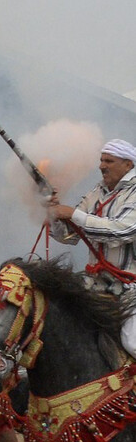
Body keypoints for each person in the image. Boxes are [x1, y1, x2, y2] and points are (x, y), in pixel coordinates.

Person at [50, 138, 136, 359]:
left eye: (109, 160)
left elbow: (121, 232)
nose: (101, 166)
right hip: (95, 286)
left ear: (128, 165)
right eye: (101, 160)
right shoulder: (97, 191)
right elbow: (69, 236)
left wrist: (72, 214)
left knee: (133, 342)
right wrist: (54, 215)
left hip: (131, 289)